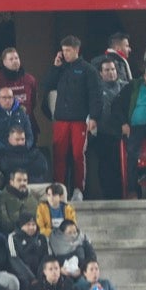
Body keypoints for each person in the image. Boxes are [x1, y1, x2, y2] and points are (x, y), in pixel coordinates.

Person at [42, 35, 103, 200]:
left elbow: (95, 95)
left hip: (79, 120)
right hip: (61, 119)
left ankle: (78, 189)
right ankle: (59, 188)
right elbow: (47, 85)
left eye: (68, 50)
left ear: (76, 50)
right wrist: (55, 67)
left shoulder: (88, 70)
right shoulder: (61, 68)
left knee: (78, 155)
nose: (65, 53)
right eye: (63, 50)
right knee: (59, 154)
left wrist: (94, 117)